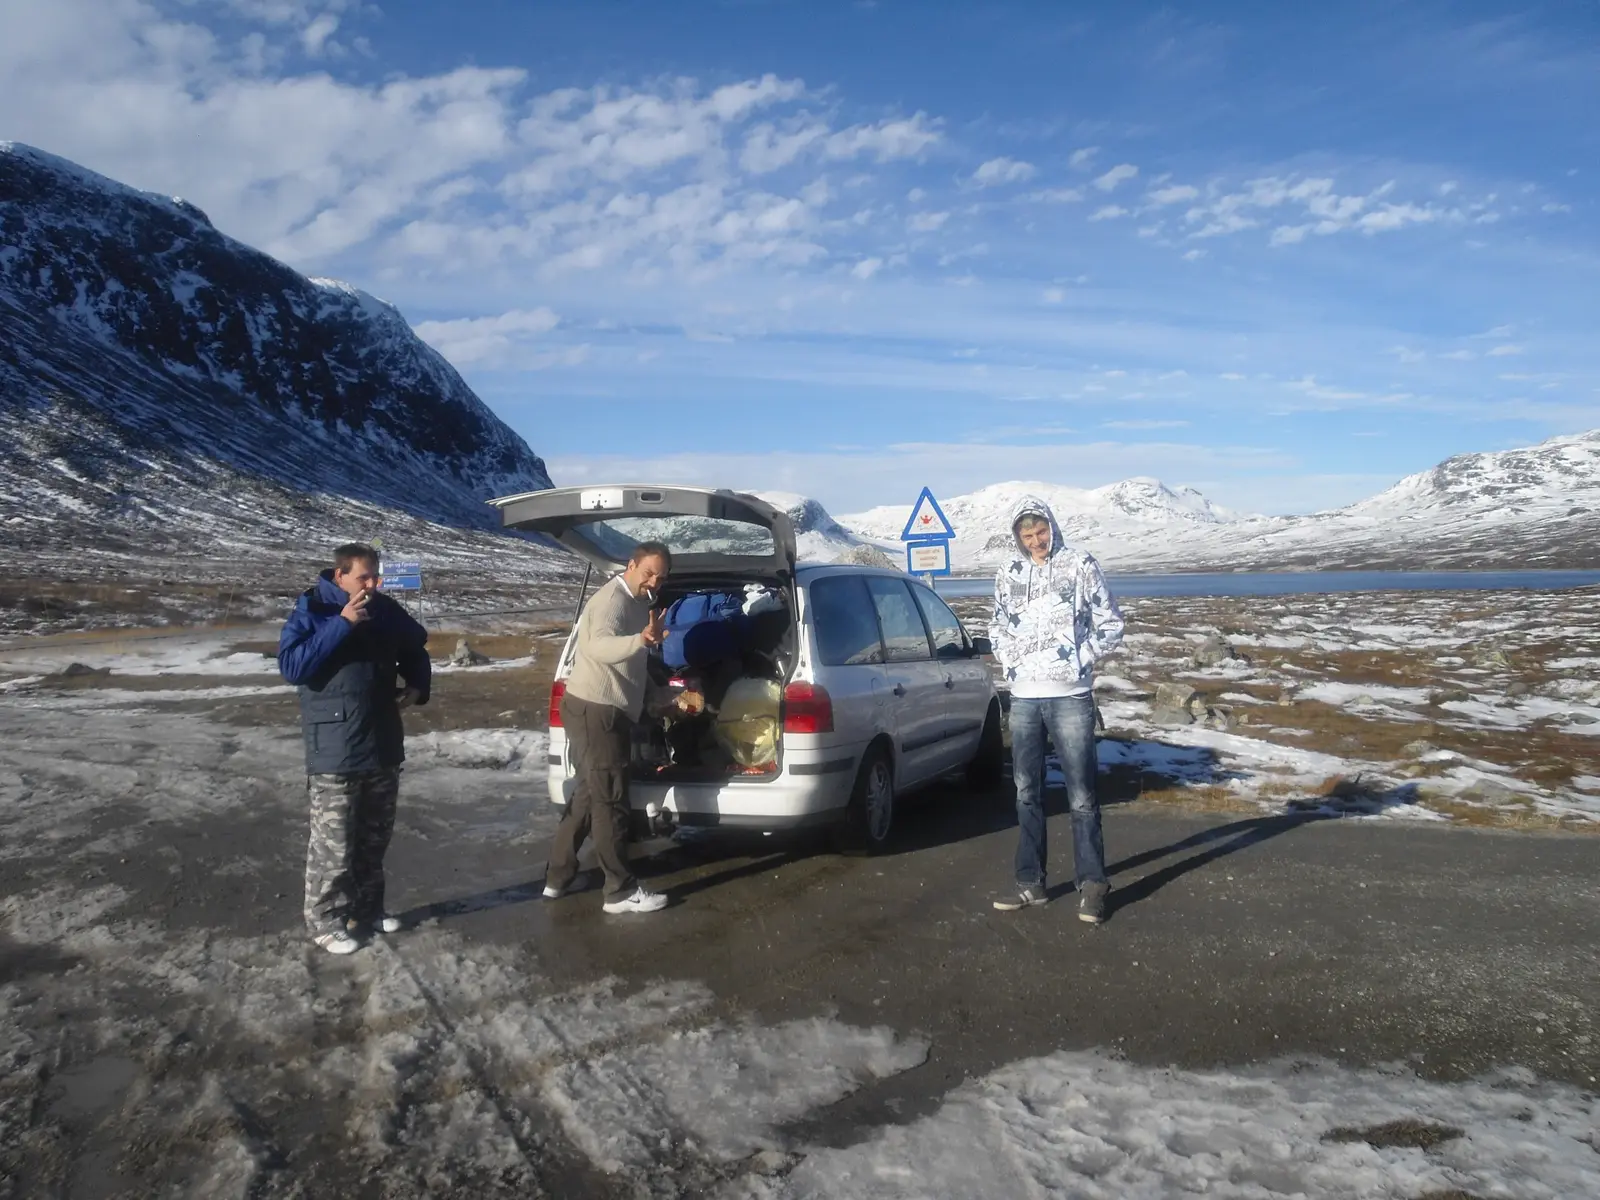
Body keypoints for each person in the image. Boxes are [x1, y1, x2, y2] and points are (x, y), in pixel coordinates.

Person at [278, 543, 431, 955]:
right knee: (334, 843)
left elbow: (416, 644)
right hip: (335, 746)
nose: (372, 585)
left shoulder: (384, 609)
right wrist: (342, 624)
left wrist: (418, 685)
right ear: (340, 575)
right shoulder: (312, 610)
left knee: (374, 837)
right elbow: (293, 667)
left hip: (382, 741)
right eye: (364, 577)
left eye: (375, 577)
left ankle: (367, 909)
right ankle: (325, 921)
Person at [543, 541, 699, 915]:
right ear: (631, 565)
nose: (654, 582)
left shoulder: (641, 602)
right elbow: (598, 648)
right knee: (610, 800)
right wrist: (640, 640)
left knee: (589, 794)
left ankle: (557, 878)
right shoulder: (611, 602)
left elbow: (632, 666)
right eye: (648, 573)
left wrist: (659, 695)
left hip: (602, 709)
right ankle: (619, 891)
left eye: (661, 577)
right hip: (596, 711)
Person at [989, 496, 1125, 923]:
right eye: (1027, 535)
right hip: (1024, 697)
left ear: (1052, 526)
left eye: (1041, 531)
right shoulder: (1008, 572)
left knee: (1081, 795)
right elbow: (997, 624)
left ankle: (1093, 886)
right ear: (1017, 537)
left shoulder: (1080, 564)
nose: (1036, 541)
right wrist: (1010, 661)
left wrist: (1080, 657)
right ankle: (1031, 883)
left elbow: (1111, 623)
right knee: (1026, 792)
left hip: (1070, 695)